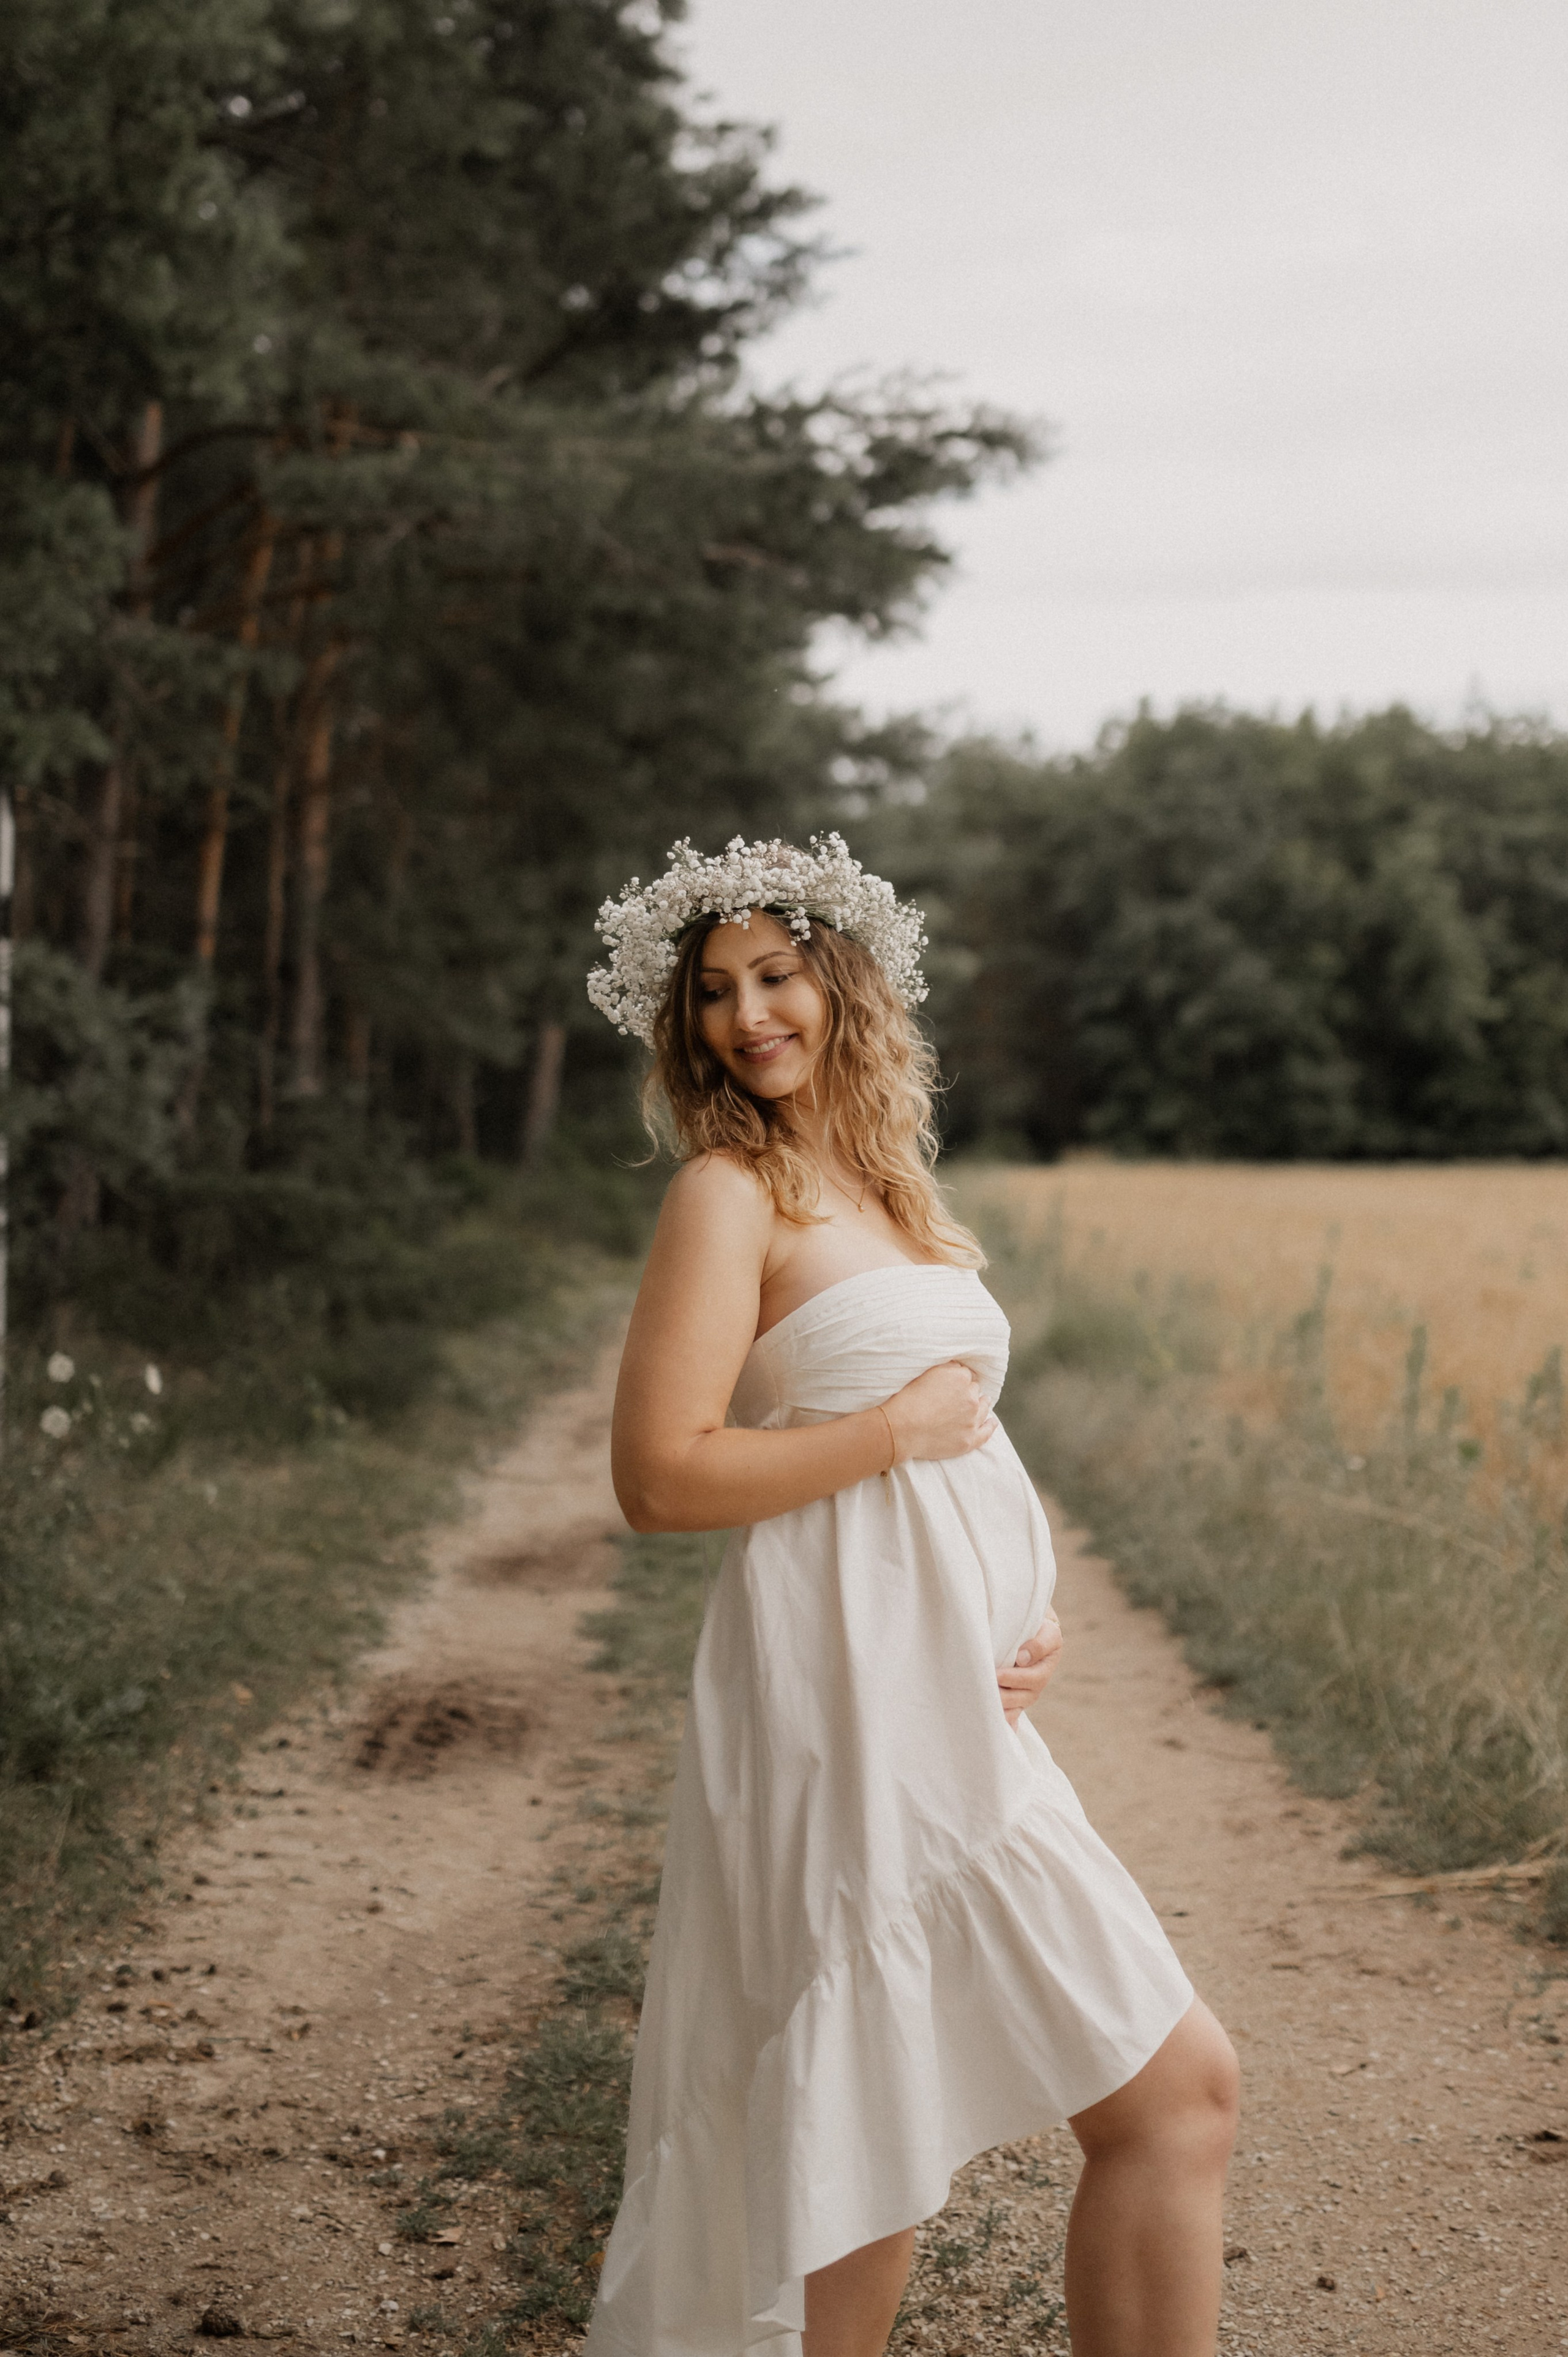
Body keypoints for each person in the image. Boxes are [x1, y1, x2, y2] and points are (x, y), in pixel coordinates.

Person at [582, 837, 1239, 2357]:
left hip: (962, 1699)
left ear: (840, 980)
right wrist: (886, 1434)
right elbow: (659, 1478)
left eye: (774, 975)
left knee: (1165, 2097)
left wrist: (1029, 1599)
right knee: (867, 2148)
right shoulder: (724, 1193)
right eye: (712, 994)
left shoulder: (884, 1185)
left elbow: (965, 1439)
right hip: (845, 1697)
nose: (746, 1015)